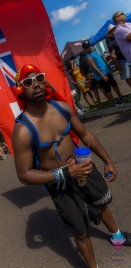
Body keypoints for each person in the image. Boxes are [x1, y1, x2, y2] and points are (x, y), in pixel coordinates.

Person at [12, 64, 131, 268]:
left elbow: (86, 135)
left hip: (82, 166)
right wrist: (65, 173)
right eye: (28, 82)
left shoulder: (63, 108)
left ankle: (117, 236)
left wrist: (108, 160)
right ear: (21, 90)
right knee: (81, 232)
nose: (36, 85)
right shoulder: (22, 130)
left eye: (39, 78)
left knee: (101, 203)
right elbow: (24, 175)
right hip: (59, 183)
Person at [82, 40, 127, 107]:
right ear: (84, 49)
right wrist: (102, 76)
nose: (89, 47)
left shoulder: (94, 53)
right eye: (87, 47)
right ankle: (114, 102)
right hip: (101, 76)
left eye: (90, 45)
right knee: (107, 90)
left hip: (107, 72)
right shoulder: (88, 57)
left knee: (114, 84)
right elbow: (94, 68)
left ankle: (120, 96)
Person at [106, 24, 131, 90]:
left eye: (114, 29)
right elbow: (113, 55)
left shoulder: (122, 36)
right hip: (122, 61)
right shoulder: (111, 43)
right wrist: (118, 65)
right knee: (128, 77)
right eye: (111, 31)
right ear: (110, 34)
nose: (113, 32)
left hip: (129, 57)